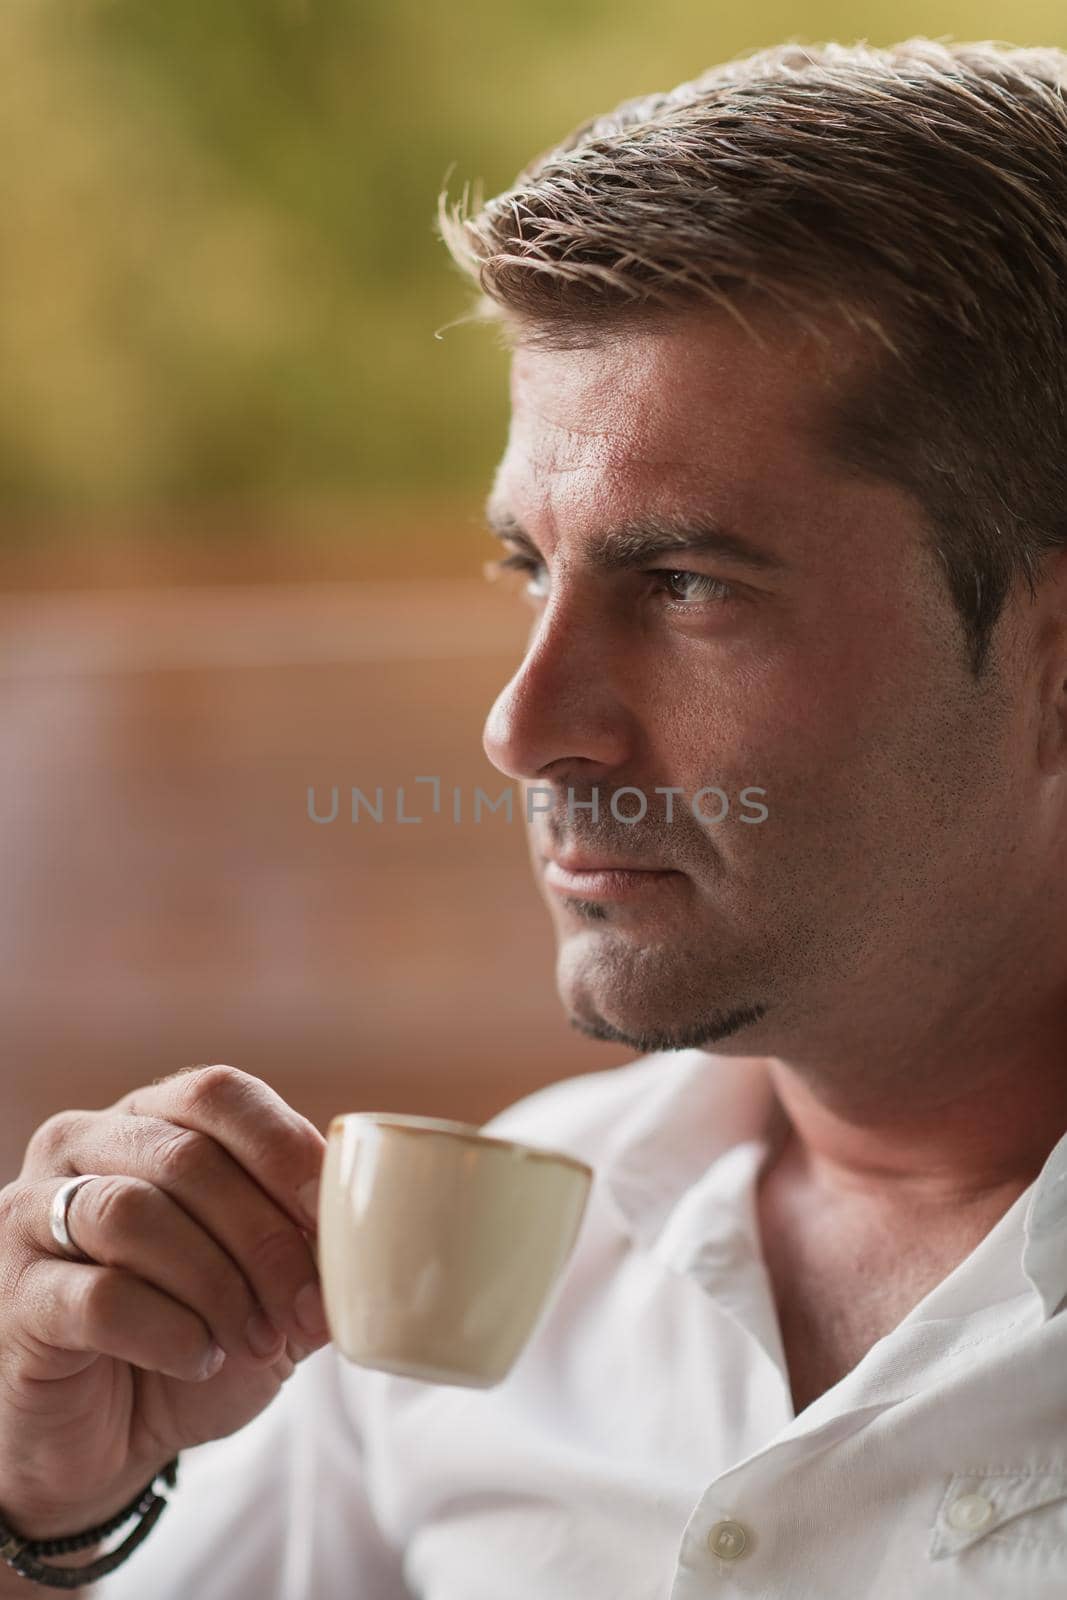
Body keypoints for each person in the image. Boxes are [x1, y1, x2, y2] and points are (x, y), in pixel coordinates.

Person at [3, 33, 1067, 1598]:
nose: (520, 727)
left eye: (688, 585)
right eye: (528, 569)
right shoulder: (463, 1284)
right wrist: (54, 1498)